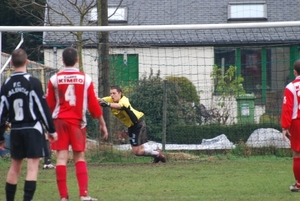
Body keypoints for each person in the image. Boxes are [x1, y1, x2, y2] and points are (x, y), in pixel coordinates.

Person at [46, 47, 108, 201]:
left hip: (59, 122)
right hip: (77, 123)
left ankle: (63, 197)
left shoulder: (54, 79)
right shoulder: (85, 79)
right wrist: (102, 123)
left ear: (62, 61)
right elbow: (93, 104)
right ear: (77, 60)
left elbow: (49, 105)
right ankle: (83, 195)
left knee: (61, 158)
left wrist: (48, 126)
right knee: (79, 157)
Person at [0, 48, 58, 201]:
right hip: (32, 128)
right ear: (27, 62)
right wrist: (51, 130)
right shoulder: (33, 82)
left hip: (16, 129)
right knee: (32, 167)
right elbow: (42, 107)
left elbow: (1, 112)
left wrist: (0, 136)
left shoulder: (6, 84)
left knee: (14, 167)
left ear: (11, 63)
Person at [99, 86, 166, 163]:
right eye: (110, 93)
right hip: (131, 126)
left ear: (120, 93)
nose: (112, 95)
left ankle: (157, 153)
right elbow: (98, 100)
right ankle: (157, 154)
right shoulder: (110, 99)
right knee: (137, 151)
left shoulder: (124, 100)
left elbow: (119, 106)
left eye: (114, 93)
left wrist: (108, 104)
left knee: (137, 151)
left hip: (138, 123)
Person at [281, 59, 300, 192]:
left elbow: (287, 108)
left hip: (297, 123)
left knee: (297, 154)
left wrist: (285, 127)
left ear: (294, 72)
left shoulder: (290, 87)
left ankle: (299, 184)